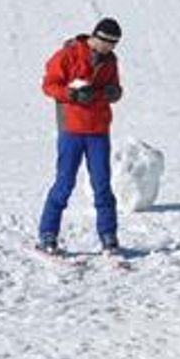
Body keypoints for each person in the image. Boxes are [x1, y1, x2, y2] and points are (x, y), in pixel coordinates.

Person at [37, 17, 126, 255]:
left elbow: (115, 88)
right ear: (96, 37)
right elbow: (49, 85)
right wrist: (72, 94)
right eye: (107, 42)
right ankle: (47, 234)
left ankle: (108, 236)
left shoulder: (111, 61)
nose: (110, 48)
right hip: (72, 130)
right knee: (64, 183)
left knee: (102, 185)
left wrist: (114, 92)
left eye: (114, 44)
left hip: (99, 131)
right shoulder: (68, 54)